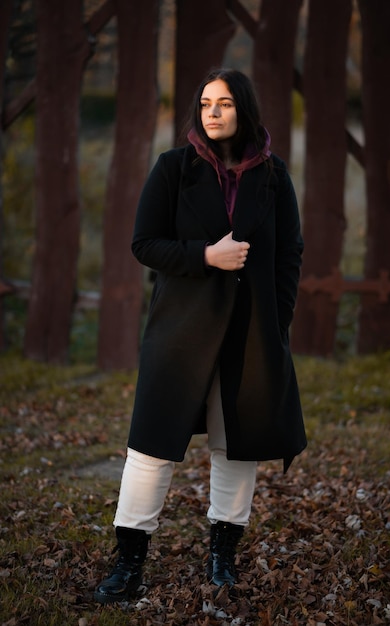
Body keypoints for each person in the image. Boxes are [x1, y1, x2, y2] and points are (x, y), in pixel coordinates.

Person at [94, 68, 306, 604]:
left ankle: (222, 560)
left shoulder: (274, 176)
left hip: (251, 333)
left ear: (245, 110)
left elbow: (289, 254)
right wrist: (206, 256)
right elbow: (144, 244)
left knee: (236, 448)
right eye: (206, 102)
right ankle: (129, 562)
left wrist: (276, 323)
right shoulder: (173, 168)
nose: (213, 111)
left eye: (226, 102)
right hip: (181, 331)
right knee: (151, 446)